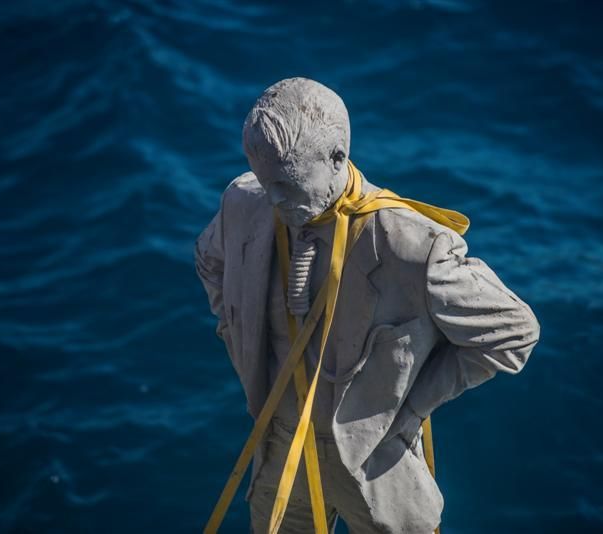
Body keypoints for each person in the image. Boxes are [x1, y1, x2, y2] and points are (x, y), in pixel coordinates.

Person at [195, 77, 540, 533]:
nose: (274, 200)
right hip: (279, 445)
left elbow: (513, 333)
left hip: (373, 462)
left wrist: (411, 409)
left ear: (337, 157)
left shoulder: (412, 246)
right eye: (264, 181)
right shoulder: (246, 201)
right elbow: (209, 259)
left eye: (287, 184)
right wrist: (233, 329)